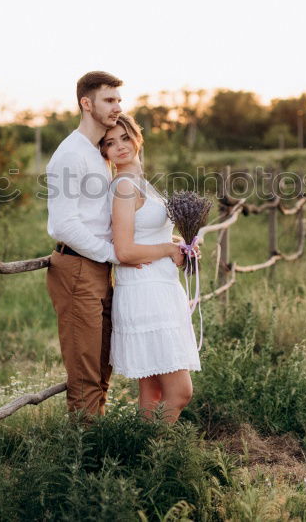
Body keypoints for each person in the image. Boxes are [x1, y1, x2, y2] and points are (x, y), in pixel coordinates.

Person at [45, 71, 176, 417]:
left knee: (102, 373)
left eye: (119, 100)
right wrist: (114, 255)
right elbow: (63, 224)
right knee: (86, 375)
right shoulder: (71, 155)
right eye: (109, 100)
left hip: (99, 269)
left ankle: (98, 453)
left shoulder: (98, 154)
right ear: (86, 104)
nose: (118, 107)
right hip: (77, 268)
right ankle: (84, 464)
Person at [101, 113, 201, 423]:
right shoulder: (124, 187)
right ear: (103, 152)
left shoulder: (139, 182)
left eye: (124, 137)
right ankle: (152, 460)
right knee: (180, 392)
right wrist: (169, 249)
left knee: (153, 392)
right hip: (146, 293)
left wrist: (179, 243)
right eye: (109, 143)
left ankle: (144, 462)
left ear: (137, 138)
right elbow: (125, 249)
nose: (119, 146)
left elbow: (144, 232)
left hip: (158, 286)